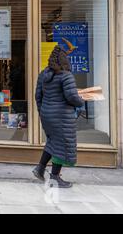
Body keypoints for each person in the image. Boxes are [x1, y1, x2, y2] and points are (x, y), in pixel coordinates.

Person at [33, 45, 84, 188]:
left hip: (47, 115)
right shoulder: (66, 75)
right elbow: (72, 97)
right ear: (64, 60)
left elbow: (38, 96)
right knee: (62, 144)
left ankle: (40, 168)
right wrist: (82, 100)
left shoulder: (43, 74)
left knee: (53, 142)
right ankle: (55, 178)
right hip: (61, 117)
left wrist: (43, 112)